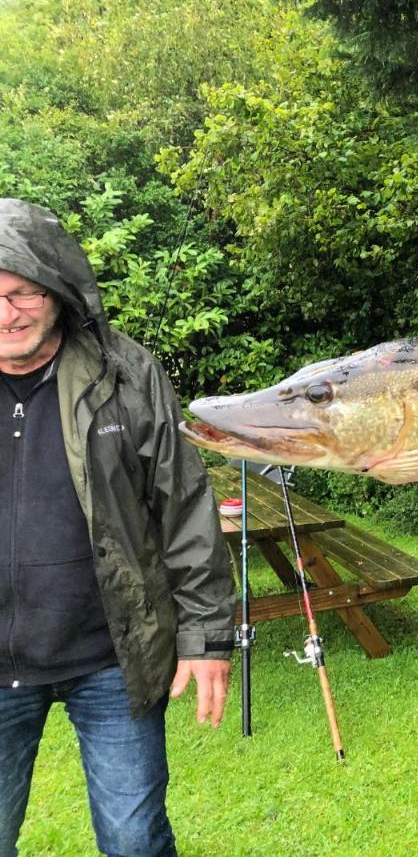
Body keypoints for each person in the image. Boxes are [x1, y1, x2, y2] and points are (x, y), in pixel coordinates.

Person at [0, 200, 235, 856]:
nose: (6, 314)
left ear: (55, 289)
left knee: (135, 841)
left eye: (21, 292)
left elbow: (184, 505)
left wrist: (207, 637)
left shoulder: (124, 373)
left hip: (111, 655)